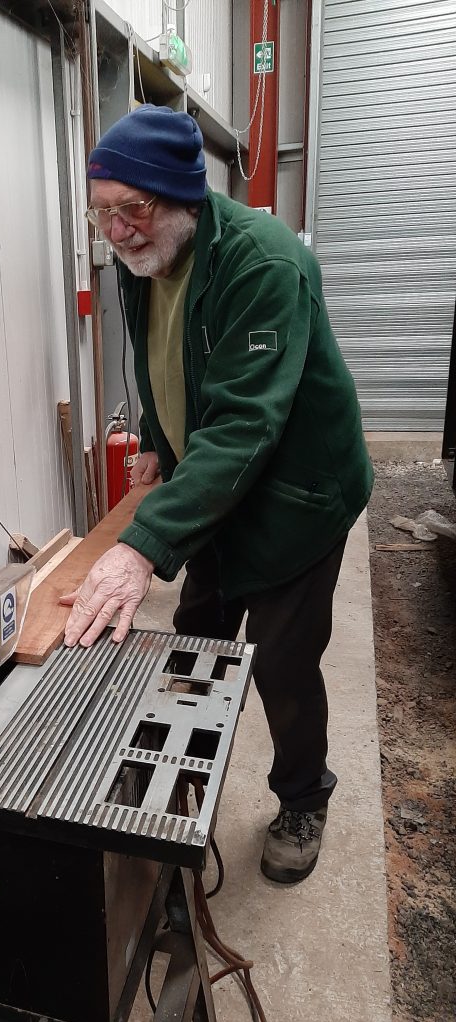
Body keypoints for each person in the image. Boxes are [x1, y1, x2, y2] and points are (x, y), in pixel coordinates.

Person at [60, 104, 373, 884]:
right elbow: (177, 371)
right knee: (193, 641)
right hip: (217, 490)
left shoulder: (263, 264)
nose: (118, 231)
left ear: (181, 197)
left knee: (283, 665)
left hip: (296, 499)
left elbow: (242, 426)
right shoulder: (146, 264)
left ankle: (304, 797)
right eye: (102, 214)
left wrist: (140, 549)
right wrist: (166, 450)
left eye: (130, 208)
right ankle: (177, 793)